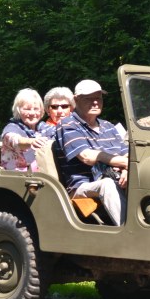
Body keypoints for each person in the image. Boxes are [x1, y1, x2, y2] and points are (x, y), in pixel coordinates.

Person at [58, 79, 129, 225]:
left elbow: (127, 154)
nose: (95, 102)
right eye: (89, 98)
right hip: (83, 186)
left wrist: (127, 170)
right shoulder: (68, 124)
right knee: (107, 184)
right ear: (76, 100)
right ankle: (130, 232)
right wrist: (123, 162)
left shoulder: (108, 126)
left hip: (118, 177)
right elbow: (87, 156)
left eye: (98, 98)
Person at [0, 88, 47, 171]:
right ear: (18, 110)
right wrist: (32, 142)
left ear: (41, 111)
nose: (32, 113)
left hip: (43, 176)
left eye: (36, 109)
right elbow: (14, 140)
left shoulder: (45, 128)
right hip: (19, 178)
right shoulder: (12, 127)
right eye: (27, 109)